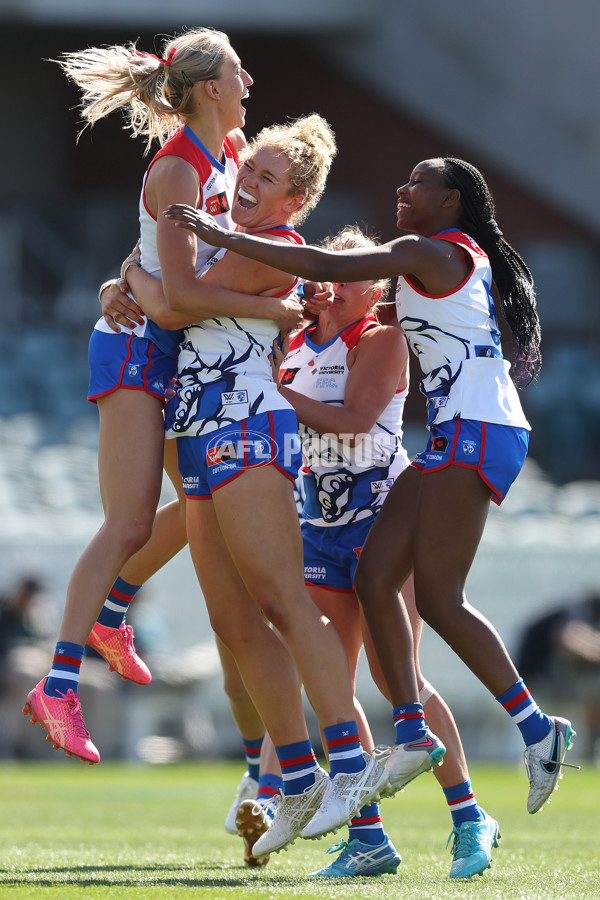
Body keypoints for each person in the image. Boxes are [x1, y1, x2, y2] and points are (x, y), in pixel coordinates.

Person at [165, 156, 579, 815]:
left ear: (449, 201)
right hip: (454, 434)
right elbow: (340, 296)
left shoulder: (426, 249)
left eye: (417, 182)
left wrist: (223, 239)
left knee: (441, 600)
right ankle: (413, 734)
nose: (401, 187)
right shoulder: (431, 264)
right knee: (375, 578)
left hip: (477, 428)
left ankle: (537, 730)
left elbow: (329, 270)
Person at [106, 115, 425, 856]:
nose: (246, 181)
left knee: (281, 604)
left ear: (298, 200)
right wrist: (121, 280)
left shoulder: (275, 247)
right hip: (197, 428)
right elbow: (169, 292)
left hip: (246, 423)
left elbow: (174, 301)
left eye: (268, 178)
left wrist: (129, 274)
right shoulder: (227, 230)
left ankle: (350, 766)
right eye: (248, 166)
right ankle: (296, 776)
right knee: (234, 629)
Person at [22, 27, 302, 765]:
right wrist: (275, 311)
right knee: (126, 524)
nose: (250, 83)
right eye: (240, 71)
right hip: (141, 348)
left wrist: (126, 275)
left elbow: (156, 260)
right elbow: (175, 298)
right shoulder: (179, 166)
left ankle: (114, 615)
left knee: (197, 511)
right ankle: (57, 684)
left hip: (177, 355)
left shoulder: (229, 159)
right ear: (212, 88)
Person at [233, 225, 497, 879]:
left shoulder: (380, 341)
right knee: (329, 679)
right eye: (331, 269)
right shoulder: (293, 341)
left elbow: (352, 422)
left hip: (381, 527)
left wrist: (273, 394)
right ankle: (368, 836)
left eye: (351, 272)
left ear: (372, 286)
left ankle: (469, 817)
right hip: (318, 529)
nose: (335, 280)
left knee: (395, 679)